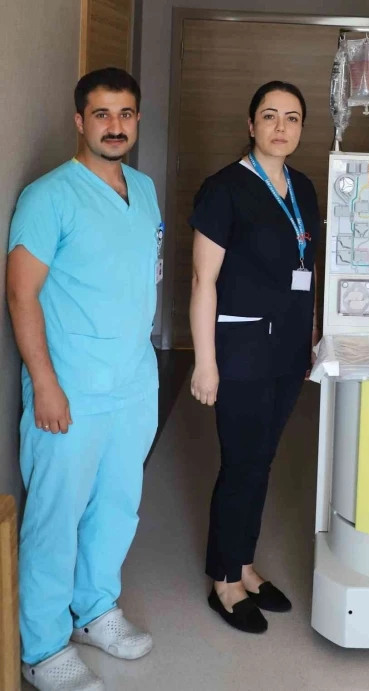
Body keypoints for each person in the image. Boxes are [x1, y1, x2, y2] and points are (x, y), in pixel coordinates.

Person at [7, 68, 162, 691]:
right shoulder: (48, 197)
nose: (114, 126)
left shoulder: (144, 190)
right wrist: (44, 383)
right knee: (54, 517)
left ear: (137, 120)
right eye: (102, 114)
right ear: (80, 121)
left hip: (133, 382)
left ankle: (94, 610)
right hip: (69, 386)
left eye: (125, 114)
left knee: (117, 507)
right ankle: (43, 649)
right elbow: (21, 295)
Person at [188, 81, 320, 634]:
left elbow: (307, 269)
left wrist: (311, 338)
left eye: (292, 117)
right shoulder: (224, 189)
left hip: (287, 348)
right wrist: (205, 362)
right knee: (240, 462)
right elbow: (204, 280)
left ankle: (243, 563)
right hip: (240, 348)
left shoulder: (303, 188)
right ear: (251, 125)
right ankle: (224, 581)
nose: (280, 127)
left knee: (261, 461)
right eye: (269, 115)